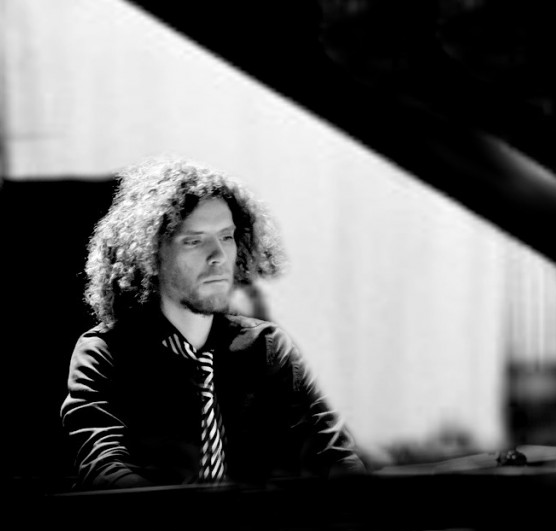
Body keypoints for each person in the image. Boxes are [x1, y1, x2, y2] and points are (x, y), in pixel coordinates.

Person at [60, 157, 366, 489]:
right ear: (150, 255)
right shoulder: (105, 352)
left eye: (226, 237)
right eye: (194, 240)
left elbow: (333, 454)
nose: (218, 256)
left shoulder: (269, 347)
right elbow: (104, 465)